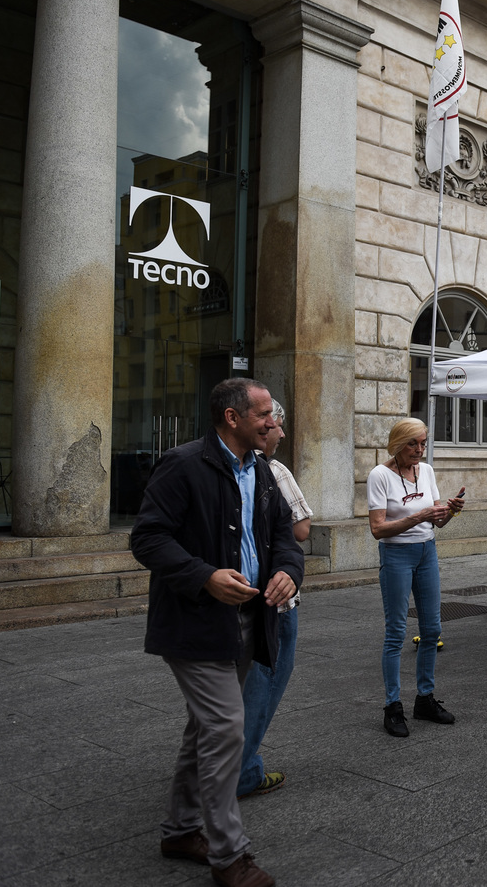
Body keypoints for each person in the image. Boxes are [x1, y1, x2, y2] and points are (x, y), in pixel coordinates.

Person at [132, 378, 304, 887]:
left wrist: (289, 571)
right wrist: (204, 576)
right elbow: (147, 538)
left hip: (250, 619)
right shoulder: (184, 464)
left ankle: (181, 830)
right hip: (195, 622)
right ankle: (229, 856)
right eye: (265, 415)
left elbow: (282, 537)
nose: (274, 423)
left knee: (204, 729)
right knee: (227, 727)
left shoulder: (266, 471)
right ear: (233, 418)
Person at [367, 418, 464, 737]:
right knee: (395, 631)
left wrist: (450, 510)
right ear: (398, 445)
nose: (420, 449)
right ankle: (392, 706)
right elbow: (378, 529)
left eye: (423, 443)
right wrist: (419, 515)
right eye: (413, 444)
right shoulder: (380, 475)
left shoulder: (428, 471)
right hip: (396, 554)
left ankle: (424, 699)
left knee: (432, 628)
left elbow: (438, 522)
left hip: (427, 552)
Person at [237, 399, 314, 798]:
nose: (281, 433)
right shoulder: (272, 470)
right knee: (263, 687)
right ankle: (243, 770)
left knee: (229, 693)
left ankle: (217, 765)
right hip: (271, 602)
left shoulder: (229, 468)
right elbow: (300, 531)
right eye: (274, 424)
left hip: (241, 597)